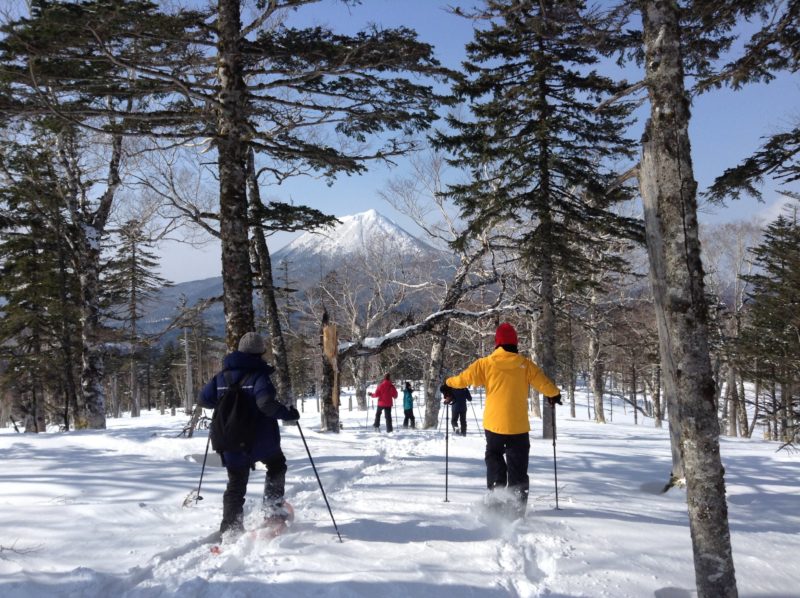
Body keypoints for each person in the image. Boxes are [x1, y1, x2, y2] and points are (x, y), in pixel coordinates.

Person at [444, 322, 562, 518]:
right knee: (518, 468)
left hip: (494, 425)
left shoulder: (485, 363)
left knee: (495, 458)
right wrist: (554, 394)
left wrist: (447, 384)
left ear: (497, 343)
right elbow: (544, 383)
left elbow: (463, 379)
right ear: (515, 343)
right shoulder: (525, 364)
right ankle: (516, 509)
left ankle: (496, 497)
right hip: (518, 427)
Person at [199, 331, 300, 536]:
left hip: (228, 439)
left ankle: (230, 529)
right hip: (259, 440)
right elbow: (266, 405)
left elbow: (204, 400)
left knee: (236, 483)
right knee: (276, 465)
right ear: (260, 352)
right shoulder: (258, 376)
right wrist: (288, 413)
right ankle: (273, 512)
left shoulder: (221, 377)